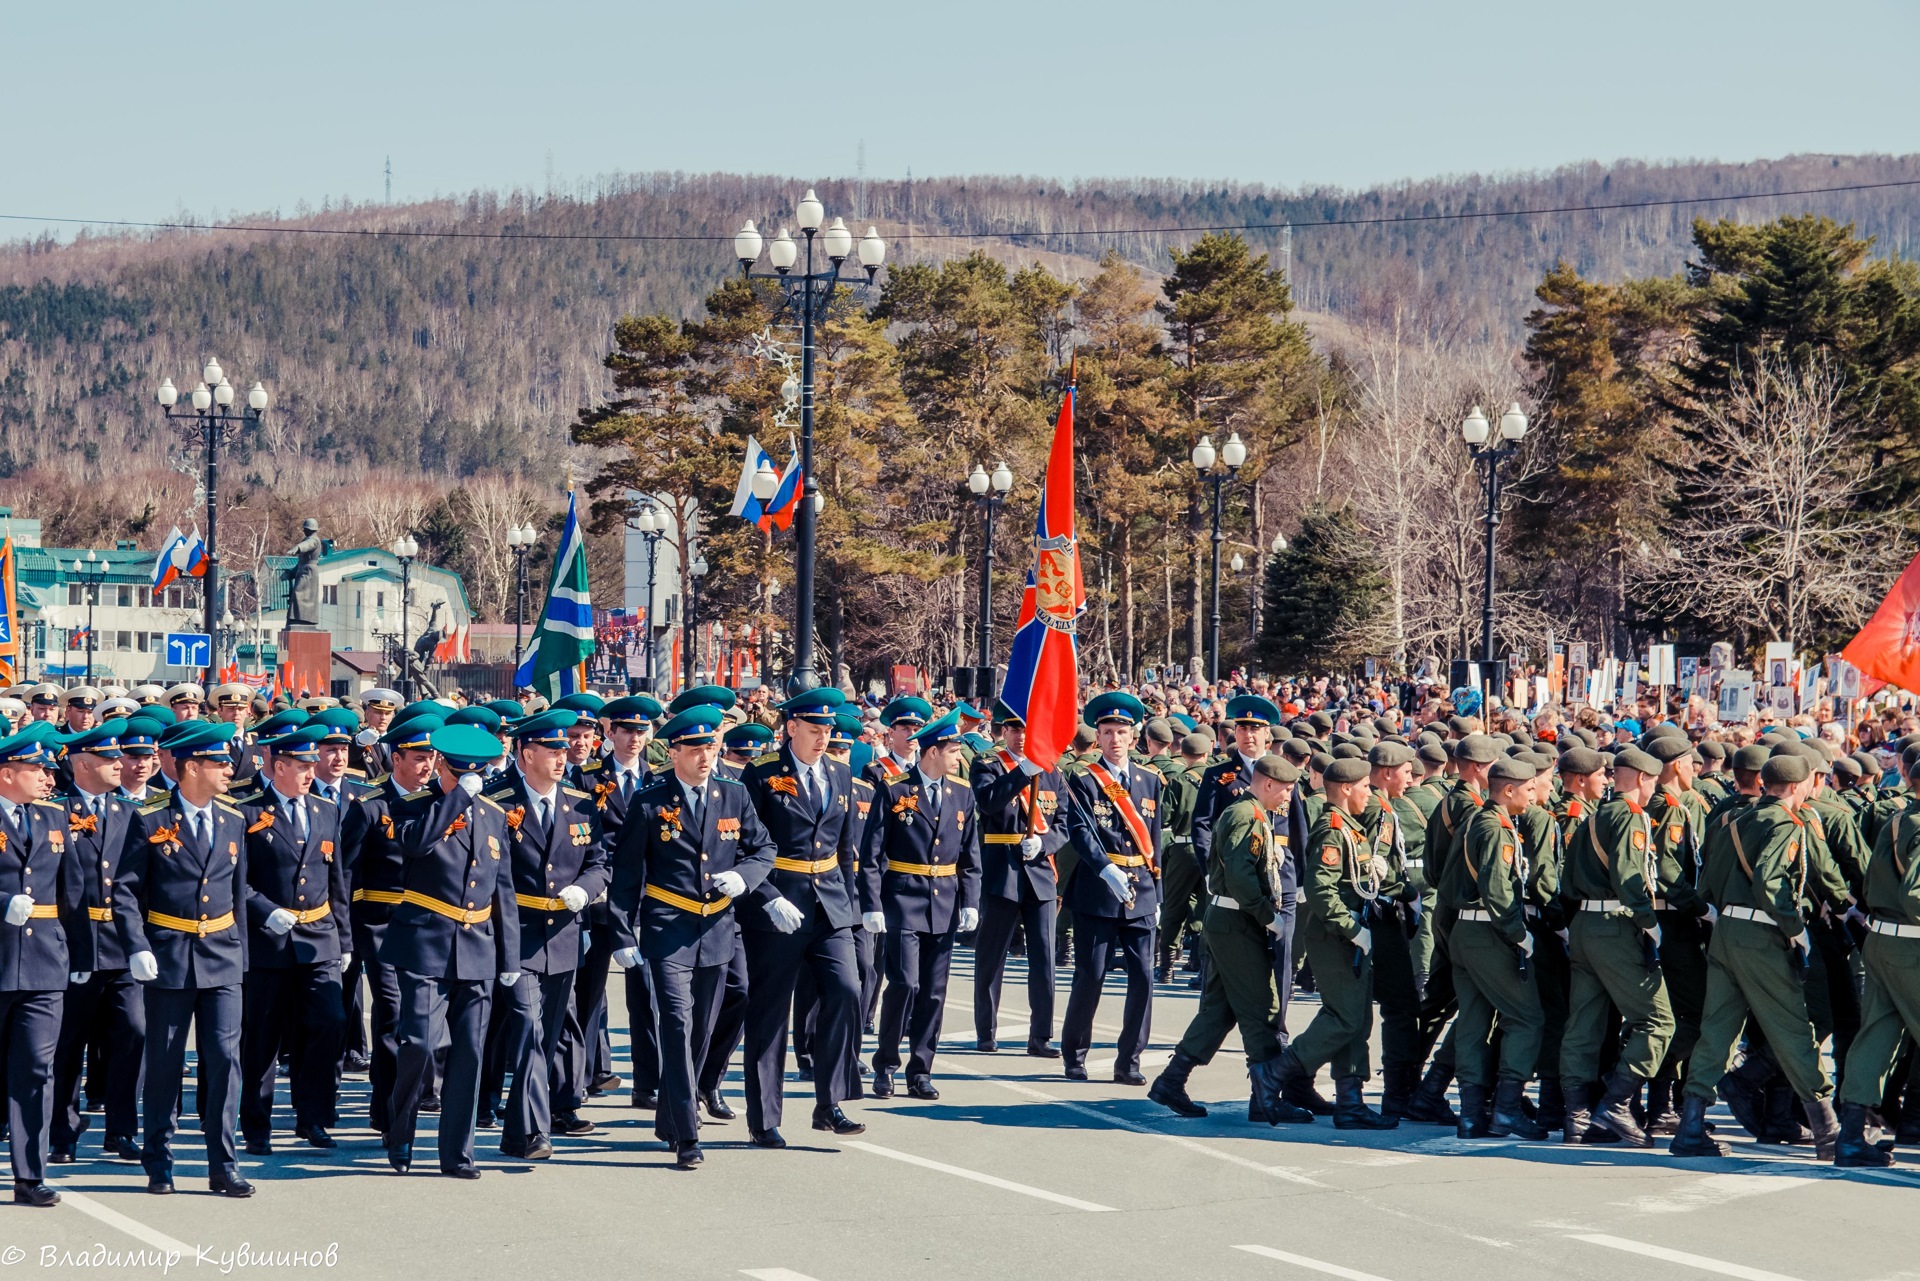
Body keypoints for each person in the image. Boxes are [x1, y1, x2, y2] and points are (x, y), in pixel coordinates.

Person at [608, 705, 775, 1169]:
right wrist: (623, 933)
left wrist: (746, 876)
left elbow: (763, 847)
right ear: (675, 751)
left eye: (712, 747)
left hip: (718, 928)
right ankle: (687, 1134)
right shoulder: (649, 802)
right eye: (697, 748)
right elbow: (626, 876)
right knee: (677, 1025)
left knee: (701, 1031)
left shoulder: (734, 796)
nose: (706, 757)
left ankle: (671, 1114)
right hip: (667, 928)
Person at [1672, 752, 1839, 1160]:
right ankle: (1828, 1131)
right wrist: (1794, 928)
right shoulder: (1787, 822)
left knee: (1717, 1031)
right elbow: (1770, 880)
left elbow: (1706, 883)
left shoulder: (1734, 820)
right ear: (1799, 786)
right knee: (1794, 1028)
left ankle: (1690, 1125)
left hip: (1726, 930)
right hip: (1762, 934)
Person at [116, 720, 255, 1197]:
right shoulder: (150, 819)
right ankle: (159, 1160)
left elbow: (237, 899)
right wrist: (136, 945)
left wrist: (242, 960)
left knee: (223, 1061)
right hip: (170, 955)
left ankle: (223, 1164)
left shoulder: (234, 819)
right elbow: (127, 891)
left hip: (222, 956)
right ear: (191, 767)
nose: (227, 771)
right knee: (166, 1062)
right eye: (218, 763)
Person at [382, 725, 520, 1179]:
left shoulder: (495, 815)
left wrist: (510, 958)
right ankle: (399, 1132)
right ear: (442, 766)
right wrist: (457, 797)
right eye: (461, 771)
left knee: (469, 1054)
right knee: (419, 1043)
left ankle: (457, 1152)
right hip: (425, 942)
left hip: (477, 947)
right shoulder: (412, 807)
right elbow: (416, 844)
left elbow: (504, 890)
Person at [1150, 754, 1310, 1124]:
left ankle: (1172, 1080)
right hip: (1237, 921)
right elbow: (1240, 875)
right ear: (1267, 784)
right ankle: (1266, 1097)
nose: (1288, 798)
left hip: (1232, 920)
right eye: (1285, 790)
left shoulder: (1253, 813)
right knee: (1263, 1007)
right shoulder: (1246, 815)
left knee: (1220, 1011)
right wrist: (1269, 917)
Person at [737, 688, 865, 1147]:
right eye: (814, 730)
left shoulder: (841, 772)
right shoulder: (763, 773)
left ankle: (829, 1102)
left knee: (848, 990)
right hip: (778, 905)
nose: (822, 738)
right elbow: (746, 846)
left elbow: (847, 847)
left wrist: (852, 909)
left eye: (828, 730)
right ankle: (764, 1118)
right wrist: (767, 895)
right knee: (770, 1012)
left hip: (829, 902)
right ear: (791, 728)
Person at [484, 709, 609, 1158]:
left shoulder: (580, 802)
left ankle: (518, 1133)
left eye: (564, 750)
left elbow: (600, 862)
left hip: (563, 936)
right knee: (526, 1028)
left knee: (548, 1032)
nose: (562, 757)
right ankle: (535, 1130)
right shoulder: (496, 801)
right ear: (525, 752)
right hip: (514, 934)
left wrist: (585, 888)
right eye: (552, 750)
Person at [233, 722, 351, 1154]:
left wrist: (345, 940)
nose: (311, 770)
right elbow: (237, 881)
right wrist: (266, 911)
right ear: (277, 765)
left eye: (311, 763)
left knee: (330, 1023)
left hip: (318, 936)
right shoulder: (247, 811)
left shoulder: (325, 809)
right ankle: (257, 1124)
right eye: (302, 764)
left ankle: (314, 1116)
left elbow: (336, 878)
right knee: (263, 1037)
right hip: (270, 943)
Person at [1557, 745, 1675, 1147]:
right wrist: (1648, 921)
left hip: (1586, 924)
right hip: (1616, 925)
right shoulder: (1631, 816)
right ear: (1643, 778)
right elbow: (1629, 876)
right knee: (1659, 1022)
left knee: (1583, 1025)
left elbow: (1568, 879)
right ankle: (1617, 1102)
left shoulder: (1594, 816)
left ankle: (1576, 1118)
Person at [860, 711, 982, 1100]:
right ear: (933, 752)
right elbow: (873, 852)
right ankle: (886, 1064)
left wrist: (970, 900)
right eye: (953, 748)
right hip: (902, 898)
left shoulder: (961, 792)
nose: (958, 755)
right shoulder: (895, 790)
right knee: (904, 984)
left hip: (943, 900)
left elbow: (970, 854)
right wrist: (873, 902)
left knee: (933, 990)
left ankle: (921, 1068)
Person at [1278, 757, 1399, 1128]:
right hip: (1334, 936)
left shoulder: (1350, 827)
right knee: (1344, 1018)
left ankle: (1350, 1101)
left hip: (1346, 935)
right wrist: (1353, 930)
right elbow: (1320, 890)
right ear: (1347, 789)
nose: (1370, 793)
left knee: (1357, 1018)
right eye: (1365, 786)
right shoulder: (1333, 829)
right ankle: (1278, 1073)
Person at [341, 710, 445, 1140]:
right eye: (419, 757)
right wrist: (344, 933)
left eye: (431, 757)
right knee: (392, 1016)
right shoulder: (370, 806)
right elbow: (344, 875)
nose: (427, 766)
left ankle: (422, 1090)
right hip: (380, 925)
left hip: (426, 926)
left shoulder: (439, 801)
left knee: (426, 1021)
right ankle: (385, 1107)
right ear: (396, 757)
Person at [48, 721, 144, 1166]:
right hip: (73, 945)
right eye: (109, 760)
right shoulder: (55, 812)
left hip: (121, 946)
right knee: (70, 1042)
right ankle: (62, 1132)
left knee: (131, 1033)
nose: (120, 765)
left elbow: (136, 885)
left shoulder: (128, 813)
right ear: (84, 764)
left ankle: (121, 1130)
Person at [0, 721, 88, 1206]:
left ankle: (29, 1175)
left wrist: (79, 953)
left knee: (36, 1067)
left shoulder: (53, 819)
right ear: (7, 772)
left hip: (43, 963)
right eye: (36, 768)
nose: (46, 777)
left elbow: (72, 890)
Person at [1059, 692, 1164, 1086]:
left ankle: (1130, 1060)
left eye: (1122, 732)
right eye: (1107, 732)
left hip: (1141, 890)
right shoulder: (1083, 779)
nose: (1115, 739)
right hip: (1098, 890)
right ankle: (1075, 1054)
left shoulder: (1151, 780)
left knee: (1143, 976)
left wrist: (1159, 893)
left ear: (1133, 737)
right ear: (1098, 738)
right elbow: (1081, 831)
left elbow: (1155, 840)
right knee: (1091, 974)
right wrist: (1105, 868)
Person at [1445, 756, 1549, 1140]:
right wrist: (1518, 933)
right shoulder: (1496, 828)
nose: (1534, 794)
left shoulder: (1477, 819)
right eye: (1529, 788)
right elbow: (1498, 890)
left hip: (1464, 932)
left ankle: (1471, 1115)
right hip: (1491, 933)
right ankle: (1505, 1109)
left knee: (1473, 1023)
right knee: (1526, 1019)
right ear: (1509, 790)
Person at [571, 695, 661, 1111]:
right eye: (627, 730)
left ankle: (647, 1083)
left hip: (644, 897)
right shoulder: (586, 778)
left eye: (642, 731)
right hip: (599, 897)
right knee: (588, 990)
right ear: (610, 733)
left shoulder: (659, 778)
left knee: (646, 991)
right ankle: (582, 1075)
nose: (635, 739)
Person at [969, 702, 1068, 1058]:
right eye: (1014, 729)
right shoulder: (988, 764)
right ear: (1003, 731)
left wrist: (1045, 843)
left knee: (1043, 958)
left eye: (1027, 729)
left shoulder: (1054, 771)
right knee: (991, 957)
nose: (1022, 735)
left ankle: (1041, 1036)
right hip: (1001, 870)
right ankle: (986, 1031)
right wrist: (1022, 771)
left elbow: (1064, 823)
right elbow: (989, 803)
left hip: (1040, 871)